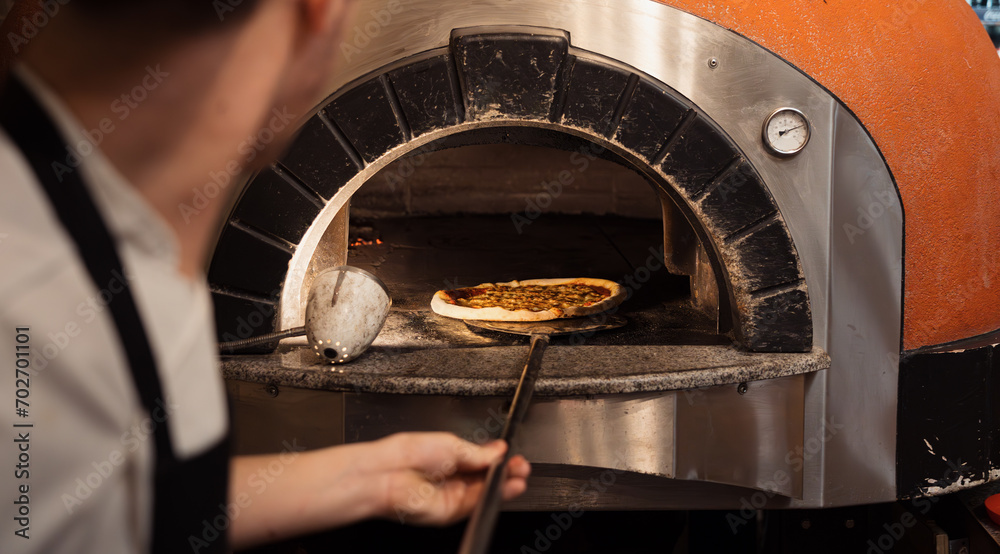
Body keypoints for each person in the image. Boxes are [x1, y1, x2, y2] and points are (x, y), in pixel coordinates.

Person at [0, 1, 530, 552]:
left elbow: (100, 503)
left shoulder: (104, 239)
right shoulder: (33, 314)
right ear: (317, 13)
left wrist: (376, 479)